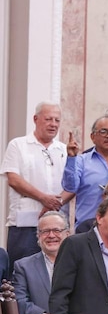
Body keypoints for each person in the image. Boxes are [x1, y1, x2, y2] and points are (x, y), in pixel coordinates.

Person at [1, 101, 70, 263]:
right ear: (35, 119)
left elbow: (73, 184)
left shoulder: (64, 150)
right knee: (21, 271)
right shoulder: (18, 145)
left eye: (57, 120)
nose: (53, 124)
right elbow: (14, 179)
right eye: (48, 119)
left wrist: (54, 202)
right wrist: (43, 198)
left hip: (56, 224)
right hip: (25, 224)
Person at [14, 211, 70, 314]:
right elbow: (20, 300)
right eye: (45, 231)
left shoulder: (81, 264)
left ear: (67, 233)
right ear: (38, 236)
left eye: (56, 230)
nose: (51, 235)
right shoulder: (23, 266)